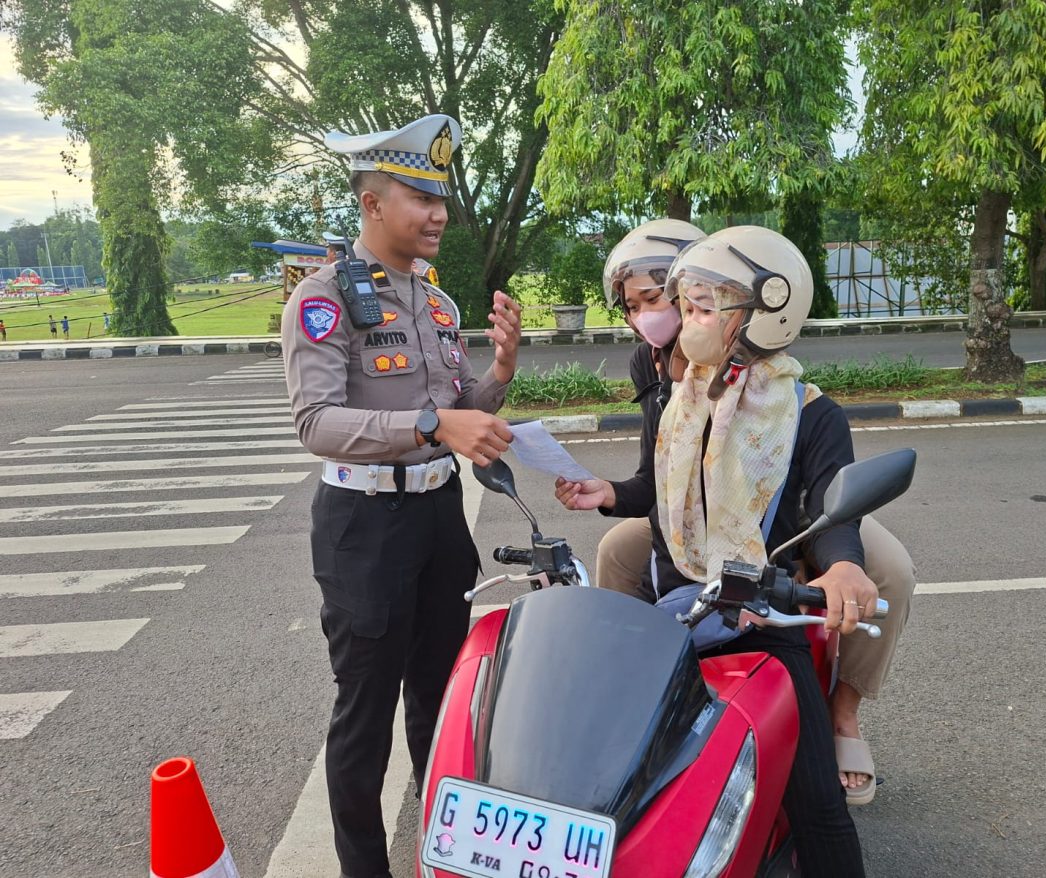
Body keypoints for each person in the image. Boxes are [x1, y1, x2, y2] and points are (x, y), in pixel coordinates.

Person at [558, 220, 915, 806]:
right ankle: (628, 698)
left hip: (790, 511)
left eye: (659, 299)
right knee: (616, 554)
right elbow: (660, 476)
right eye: (634, 306)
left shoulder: (799, 403)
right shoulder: (655, 368)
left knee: (888, 573)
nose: (646, 316)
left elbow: (821, 496)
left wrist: (839, 559)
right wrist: (610, 493)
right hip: (698, 516)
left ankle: (843, 717)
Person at [282, 113, 523, 878]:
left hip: (437, 518)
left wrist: (502, 374)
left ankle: (444, 854)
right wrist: (436, 422)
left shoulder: (438, 304)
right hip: (365, 526)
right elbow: (318, 423)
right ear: (371, 202)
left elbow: (457, 405)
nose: (439, 213)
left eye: (442, 197)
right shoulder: (324, 300)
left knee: (440, 698)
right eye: (420, 195)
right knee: (366, 713)